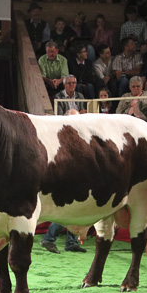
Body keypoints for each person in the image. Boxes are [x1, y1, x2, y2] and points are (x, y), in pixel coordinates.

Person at [39, 108, 87, 254]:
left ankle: (70, 242)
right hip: (66, 176)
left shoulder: (74, 135)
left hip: (74, 175)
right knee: (68, 210)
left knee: (74, 210)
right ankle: (49, 238)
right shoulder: (63, 136)